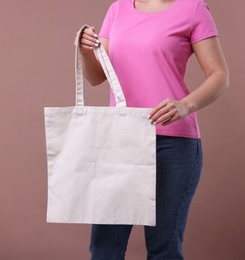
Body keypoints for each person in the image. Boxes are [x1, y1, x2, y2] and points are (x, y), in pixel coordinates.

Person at [74, 0, 230, 259]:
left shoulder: (192, 9)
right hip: (120, 144)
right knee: (104, 249)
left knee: (163, 251)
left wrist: (185, 105)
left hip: (173, 145)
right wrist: (85, 50)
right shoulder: (118, 10)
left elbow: (220, 75)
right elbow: (96, 77)